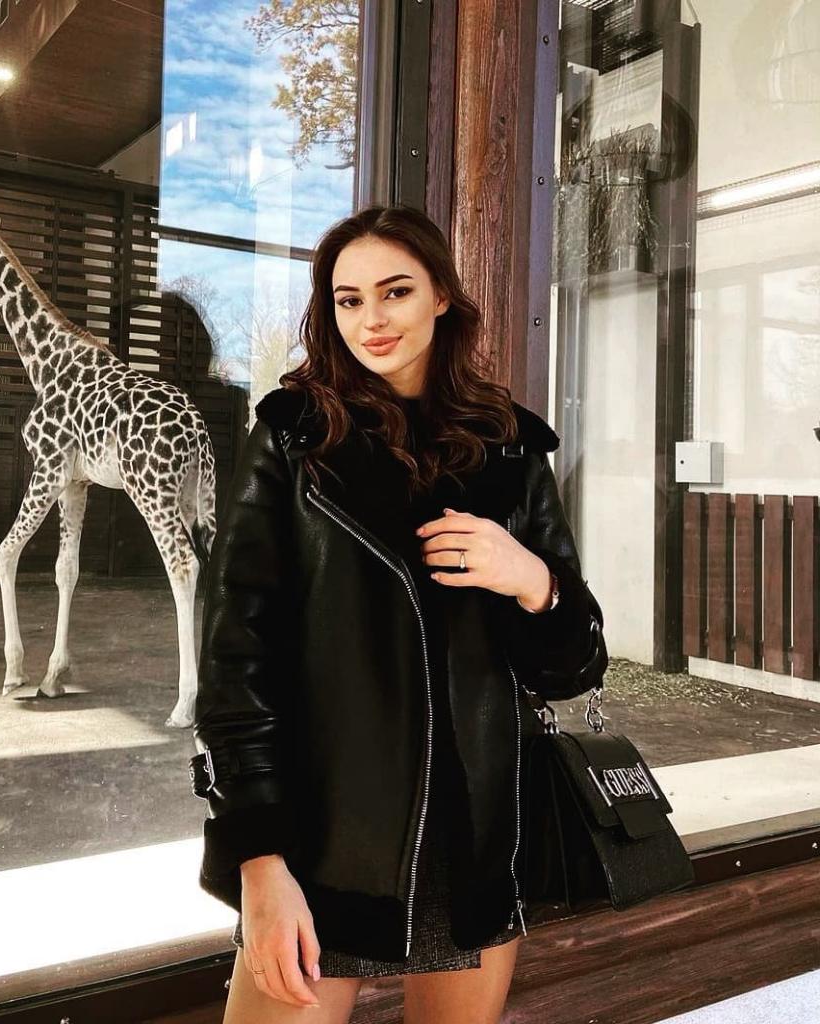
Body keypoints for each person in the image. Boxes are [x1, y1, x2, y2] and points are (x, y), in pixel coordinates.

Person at [188, 203, 608, 1024]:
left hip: (475, 845)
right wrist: (259, 861)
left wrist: (530, 578)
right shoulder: (294, 439)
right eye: (349, 300)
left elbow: (574, 666)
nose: (371, 320)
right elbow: (235, 664)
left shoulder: (511, 448)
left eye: (395, 291)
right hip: (324, 844)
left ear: (442, 295)